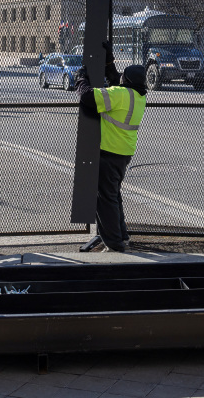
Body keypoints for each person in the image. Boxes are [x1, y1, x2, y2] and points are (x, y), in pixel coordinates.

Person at [75, 41, 147, 252]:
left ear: (127, 81)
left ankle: (114, 243)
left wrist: (81, 78)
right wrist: (109, 62)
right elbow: (117, 80)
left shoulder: (119, 95)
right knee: (113, 195)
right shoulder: (139, 96)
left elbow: (87, 97)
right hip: (123, 153)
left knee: (105, 199)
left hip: (109, 153)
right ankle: (121, 234)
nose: (120, 79)